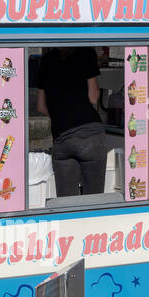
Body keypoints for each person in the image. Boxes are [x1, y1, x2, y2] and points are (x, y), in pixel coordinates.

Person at [36, 46, 107, 197]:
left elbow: (41, 106)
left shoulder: (47, 61)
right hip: (90, 135)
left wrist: (61, 115)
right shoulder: (86, 52)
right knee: (93, 200)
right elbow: (93, 97)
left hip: (62, 138)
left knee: (66, 202)